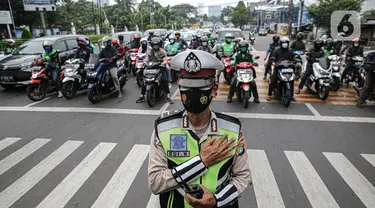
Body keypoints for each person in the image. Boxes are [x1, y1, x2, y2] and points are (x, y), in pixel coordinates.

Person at [148, 50, 251, 208]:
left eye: (199, 87)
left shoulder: (232, 129)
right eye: (186, 87)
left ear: (214, 89)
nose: (192, 94)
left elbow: (242, 176)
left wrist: (216, 200)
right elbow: (155, 183)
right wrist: (200, 162)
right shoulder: (163, 128)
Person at [136, 37, 173, 104]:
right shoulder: (150, 51)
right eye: (154, 45)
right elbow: (146, 59)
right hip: (151, 66)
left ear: (159, 45)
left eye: (156, 45)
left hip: (160, 66)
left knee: (164, 80)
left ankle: (168, 96)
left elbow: (165, 59)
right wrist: (145, 63)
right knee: (145, 81)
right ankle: (142, 96)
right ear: (152, 45)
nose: (155, 46)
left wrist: (162, 63)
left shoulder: (162, 51)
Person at [267, 37, 296, 101]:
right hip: (278, 68)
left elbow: (294, 58)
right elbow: (272, 58)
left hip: (288, 69)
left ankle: (292, 95)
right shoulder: (276, 51)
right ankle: (269, 95)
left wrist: (297, 62)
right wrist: (273, 62)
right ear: (280, 43)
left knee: (292, 81)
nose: (284, 44)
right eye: (283, 43)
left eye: (286, 43)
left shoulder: (290, 51)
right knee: (273, 79)